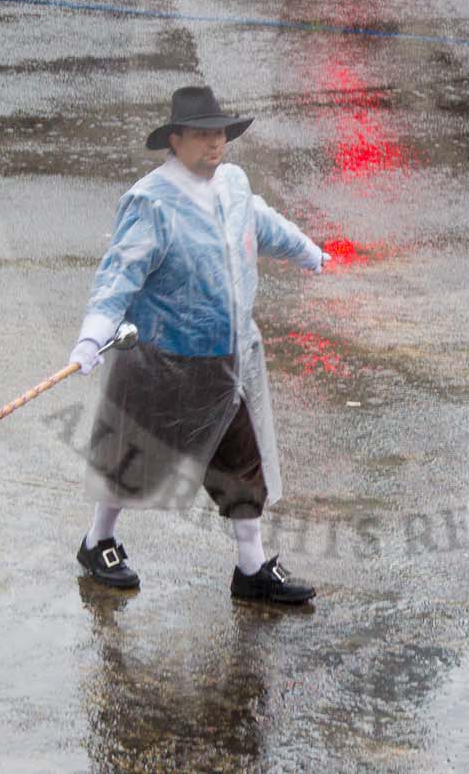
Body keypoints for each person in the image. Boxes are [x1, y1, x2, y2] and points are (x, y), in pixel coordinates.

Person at [69, 85, 328, 605]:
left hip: (228, 363)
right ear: (176, 139)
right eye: (204, 135)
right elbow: (118, 275)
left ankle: (251, 567)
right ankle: (98, 541)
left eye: (221, 135)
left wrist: (307, 252)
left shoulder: (232, 184)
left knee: (240, 461)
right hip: (164, 361)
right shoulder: (152, 203)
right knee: (133, 456)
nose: (216, 145)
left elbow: (259, 223)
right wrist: (93, 335)